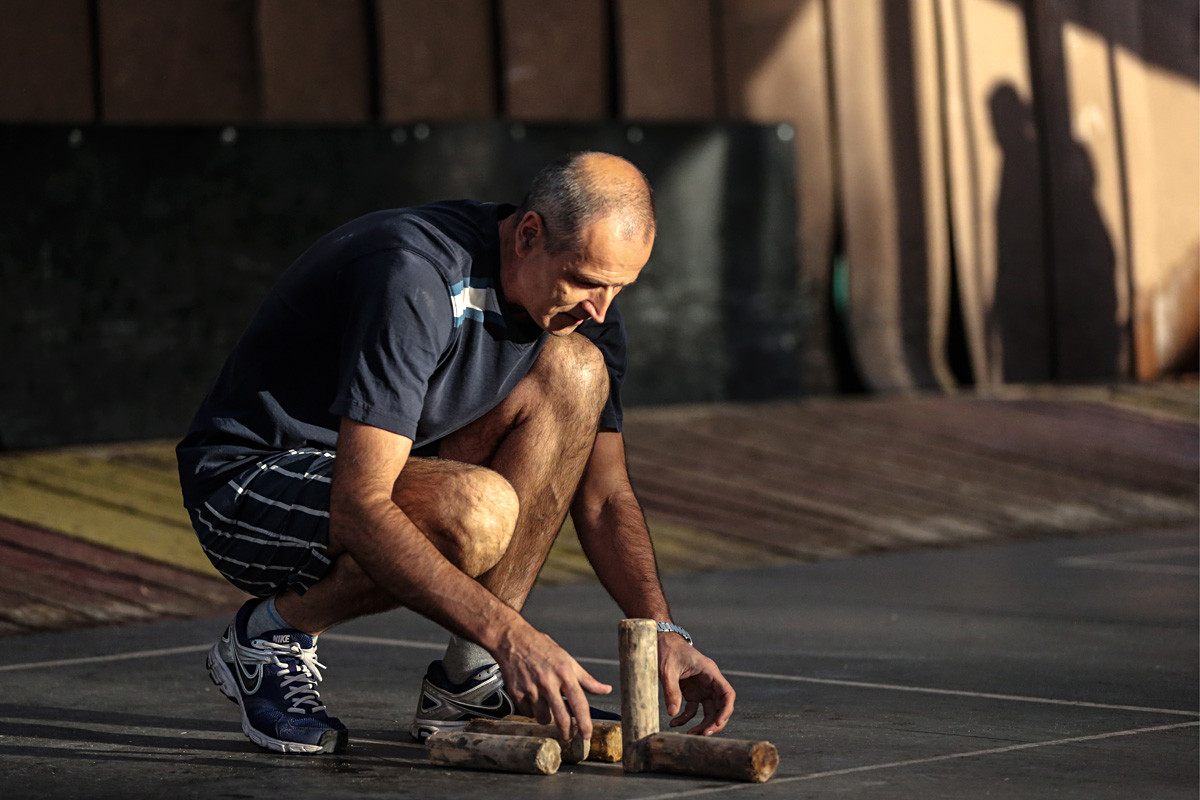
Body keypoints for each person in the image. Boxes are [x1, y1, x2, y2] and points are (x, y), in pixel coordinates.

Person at [176, 151, 736, 755]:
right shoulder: (414, 275)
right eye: (588, 282)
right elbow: (360, 506)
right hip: (247, 483)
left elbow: (602, 497)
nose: (600, 308)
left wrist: (663, 632)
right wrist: (510, 636)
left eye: (619, 287)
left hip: (379, 468)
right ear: (528, 235)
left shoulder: (583, 301)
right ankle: (268, 637)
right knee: (477, 511)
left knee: (577, 372)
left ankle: (466, 683)